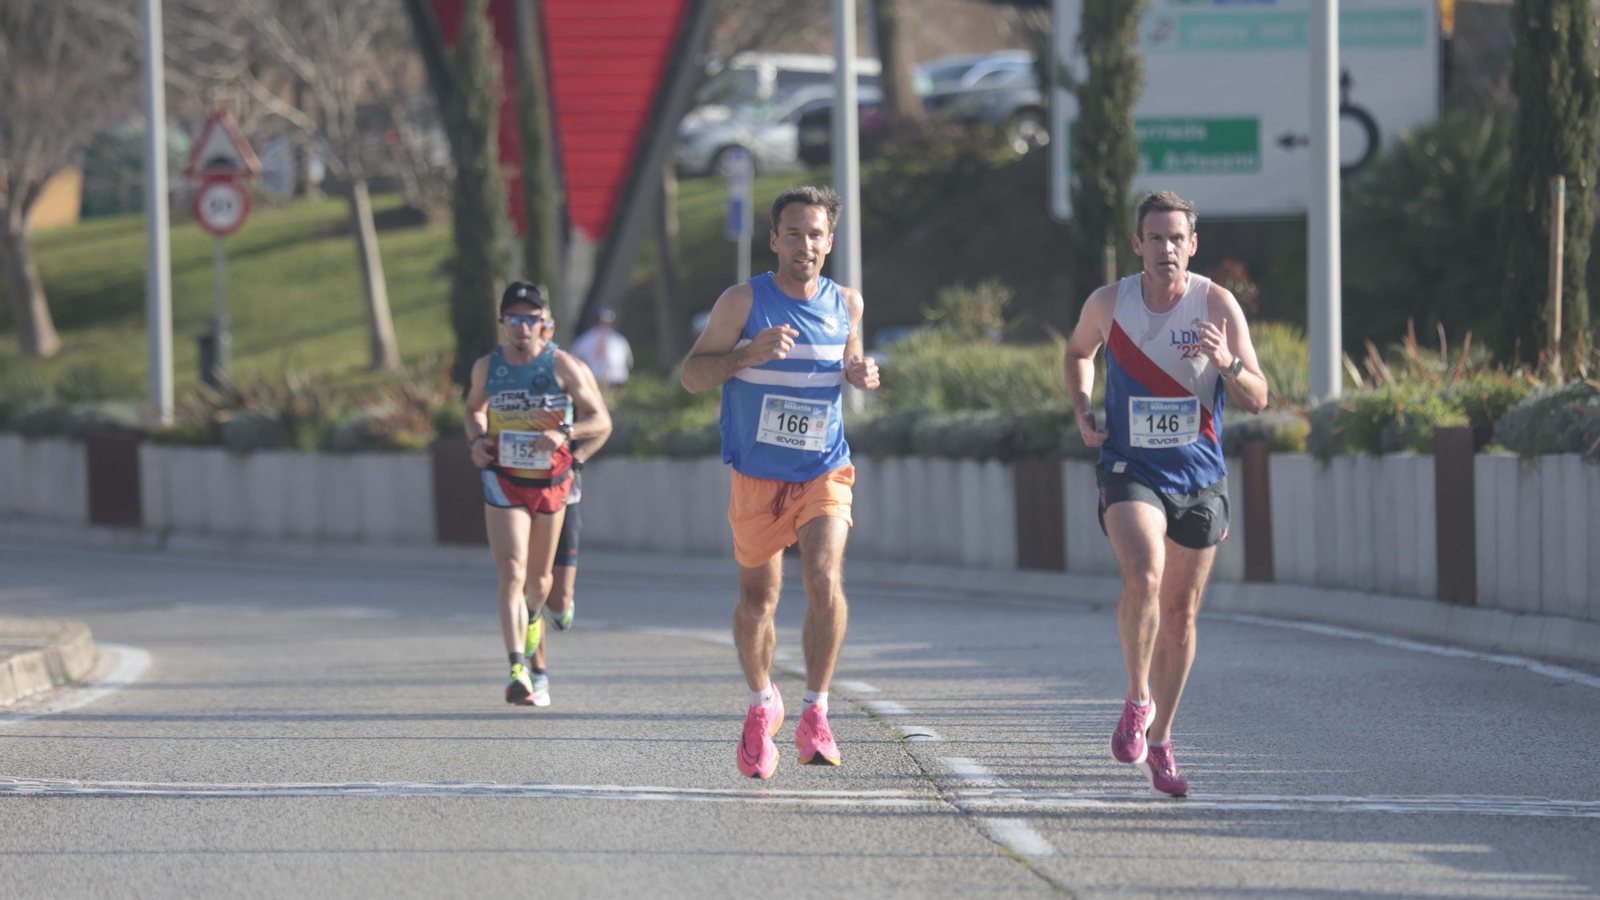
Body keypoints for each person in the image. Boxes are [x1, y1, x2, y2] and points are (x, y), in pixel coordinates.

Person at [1062, 191, 1268, 797]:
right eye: (1155, 238)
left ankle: (1163, 741)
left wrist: (1228, 363)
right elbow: (1078, 351)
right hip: (1130, 466)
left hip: (1200, 477)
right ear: (1138, 245)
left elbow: (1259, 396)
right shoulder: (1111, 302)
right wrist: (1082, 406)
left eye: (1177, 238)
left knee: (1180, 614)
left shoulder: (1217, 304)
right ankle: (1136, 696)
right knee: (1145, 574)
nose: (1166, 249)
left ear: (1192, 245)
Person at [682, 185, 880, 780]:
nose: (805, 244)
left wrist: (861, 373)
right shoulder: (743, 302)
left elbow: (851, 361)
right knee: (757, 603)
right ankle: (762, 698)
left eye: (815, 233)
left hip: (824, 467)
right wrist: (745, 356)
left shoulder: (848, 303)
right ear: (774, 240)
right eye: (792, 233)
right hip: (757, 476)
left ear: (829, 241)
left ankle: (816, 711)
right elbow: (692, 375)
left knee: (823, 578)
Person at [465, 282, 611, 706]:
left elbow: (600, 419)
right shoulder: (487, 367)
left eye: (530, 319)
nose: (522, 327)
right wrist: (477, 441)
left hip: (553, 483)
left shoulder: (564, 366)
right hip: (504, 478)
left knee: (542, 584)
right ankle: (517, 669)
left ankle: (535, 617)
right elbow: (474, 408)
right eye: (514, 318)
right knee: (512, 571)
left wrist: (565, 432)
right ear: (504, 323)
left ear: (544, 323)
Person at [527, 355, 609, 696]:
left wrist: (576, 459)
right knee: (528, 583)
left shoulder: (572, 370)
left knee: (557, 600)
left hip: (563, 491)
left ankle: (561, 607)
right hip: (517, 490)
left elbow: (603, 424)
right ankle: (538, 672)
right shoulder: (502, 372)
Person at [570, 306, 633, 401]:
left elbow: (628, 362)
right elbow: (573, 359)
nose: (604, 326)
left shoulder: (619, 341)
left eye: (607, 323)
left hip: (615, 384)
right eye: (602, 323)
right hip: (592, 384)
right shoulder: (585, 340)